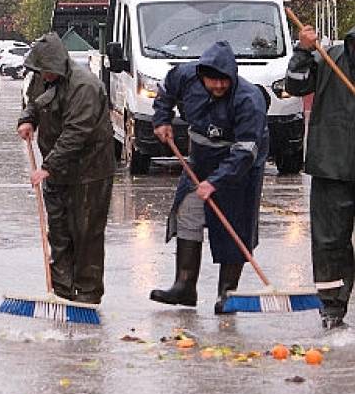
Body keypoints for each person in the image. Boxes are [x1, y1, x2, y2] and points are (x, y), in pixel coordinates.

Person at [150, 41, 269, 313]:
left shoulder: (249, 100)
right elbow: (165, 92)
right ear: (201, 75)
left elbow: (245, 151)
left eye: (223, 81)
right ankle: (184, 285)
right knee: (188, 211)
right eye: (212, 80)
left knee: (233, 223)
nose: (217, 86)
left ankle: (227, 293)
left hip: (242, 163)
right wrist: (162, 120)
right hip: (200, 158)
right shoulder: (184, 76)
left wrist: (215, 182)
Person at [16, 32, 114, 304]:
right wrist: (27, 120)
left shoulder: (84, 87)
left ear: (58, 66)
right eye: (40, 71)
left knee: (86, 234)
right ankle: (61, 292)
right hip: (57, 171)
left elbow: (76, 133)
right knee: (58, 232)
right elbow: (33, 104)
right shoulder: (41, 77)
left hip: (90, 171)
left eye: (47, 71)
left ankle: (87, 295)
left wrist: (47, 167)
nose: (43, 75)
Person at [287, 25, 355, 329]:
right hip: (332, 162)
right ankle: (331, 304)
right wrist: (303, 51)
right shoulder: (329, 58)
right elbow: (295, 85)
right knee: (329, 241)